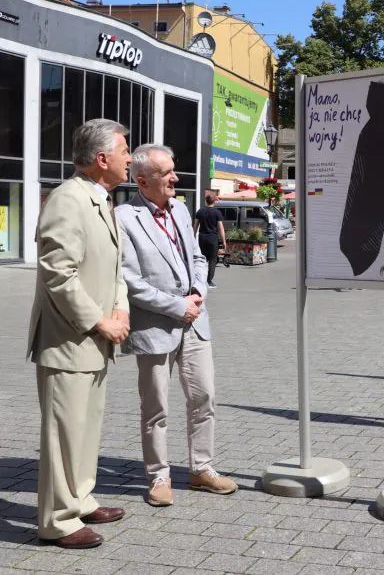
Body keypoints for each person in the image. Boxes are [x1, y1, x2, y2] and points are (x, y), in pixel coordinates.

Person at [28, 119, 132, 549]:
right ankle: (57, 520)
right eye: (125, 151)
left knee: (86, 427)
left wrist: (122, 307)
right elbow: (58, 272)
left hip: (96, 340)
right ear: (102, 159)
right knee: (63, 432)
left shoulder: (101, 199)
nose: (131, 158)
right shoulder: (68, 199)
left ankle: (80, 497)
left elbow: (114, 269)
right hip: (68, 340)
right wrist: (99, 320)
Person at [115, 144, 238, 508]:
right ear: (142, 180)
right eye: (166, 173)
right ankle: (159, 476)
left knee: (204, 397)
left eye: (173, 170)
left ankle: (201, 469)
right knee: (156, 408)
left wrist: (199, 290)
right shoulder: (123, 217)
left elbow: (198, 256)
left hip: (195, 322)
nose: (175, 178)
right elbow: (128, 279)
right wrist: (176, 306)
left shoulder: (182, 209)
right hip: (155, 326)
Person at [193, 194, 226, 288]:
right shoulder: (217, 212)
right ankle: (209, 281)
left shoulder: (200, 211)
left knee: (202, 259)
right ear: (214, 201)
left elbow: (195, 227)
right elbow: (221, 228)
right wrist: (224, 241)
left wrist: (192, 238)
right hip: (213, 238)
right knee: (212, 259)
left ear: (206, 201)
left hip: (202, 238)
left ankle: (201, 279)